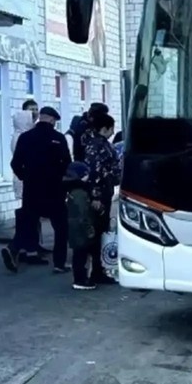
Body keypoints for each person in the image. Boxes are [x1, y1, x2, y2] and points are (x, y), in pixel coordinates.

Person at [3, 106, 71, 273]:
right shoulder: (58, 138)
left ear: (40, 118)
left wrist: (25, 177)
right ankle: (59, 263)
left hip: (32, 189)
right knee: (61, 227)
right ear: (53, 120)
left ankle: (13, 248)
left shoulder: (25, 138)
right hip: (54, 190)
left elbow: (15, 163)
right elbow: (67, 164)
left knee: (28, 223)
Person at [83, 112, 121, 285]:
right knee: (97, 232)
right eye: (111, 128)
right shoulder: (97, 146)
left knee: (101, 230)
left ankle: (99, 269)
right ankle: (94, 271)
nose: (113, 132)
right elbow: (94, 172)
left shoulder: (101, 143)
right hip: (100, 194)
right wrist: (96, 195)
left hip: (105, 191)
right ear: (104, 128)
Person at [64, 161, 97, 290]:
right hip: (79, 230)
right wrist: (90, 230)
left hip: (73, 229)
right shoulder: (80, 193)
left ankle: (80, 278)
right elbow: (83, 215)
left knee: (78, 255)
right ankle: (80, 280)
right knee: (81, 256)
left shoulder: (71, 191)